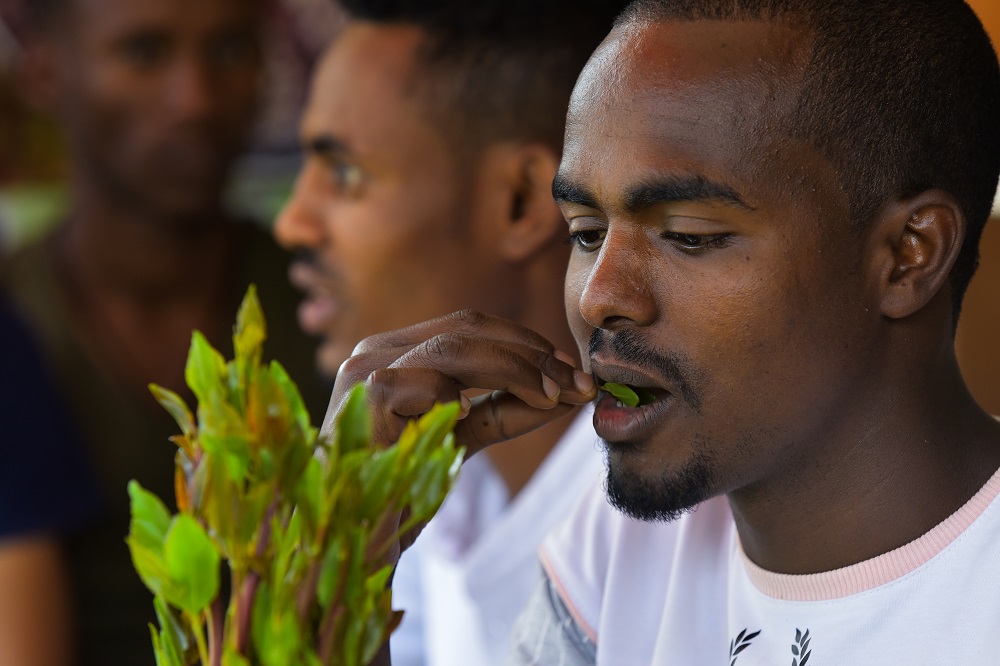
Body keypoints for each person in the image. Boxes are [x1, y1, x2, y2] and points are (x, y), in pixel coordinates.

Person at [317, 0, 1000, 663]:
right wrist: (342, 549)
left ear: (908, 254)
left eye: (687, 237)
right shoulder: (618, 551)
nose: (599, 297)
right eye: (586, 234)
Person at [272, 1, 624, 663]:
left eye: (345, 173)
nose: (293, 222)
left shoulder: (661, 516)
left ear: (520, 200)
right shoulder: (439, 483)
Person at [0, 0, 328, 663]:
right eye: (144, 54)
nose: (196, 99)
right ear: (42, 71)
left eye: (232, 51)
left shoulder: (332, 310)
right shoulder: (13, 330)